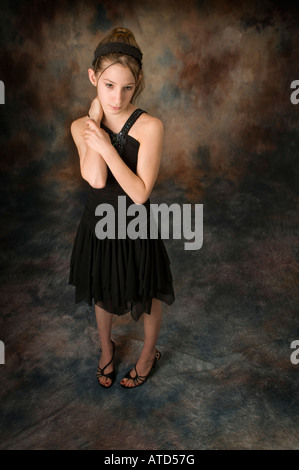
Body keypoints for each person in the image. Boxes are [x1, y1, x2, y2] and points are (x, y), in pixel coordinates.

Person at [68, 27, 175, 389]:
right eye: (108, 85)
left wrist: (105, 143)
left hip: (135, 223)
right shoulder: (80, 125)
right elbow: (96, 179)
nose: (117, 97)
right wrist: (93, 121)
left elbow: (140, 193)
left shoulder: (150, 126)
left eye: (127, 87)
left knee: (147, 292)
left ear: (138, 82)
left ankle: (148, 353)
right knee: (100, 288)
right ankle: (106, 349)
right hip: (98, 222)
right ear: (93, 77)